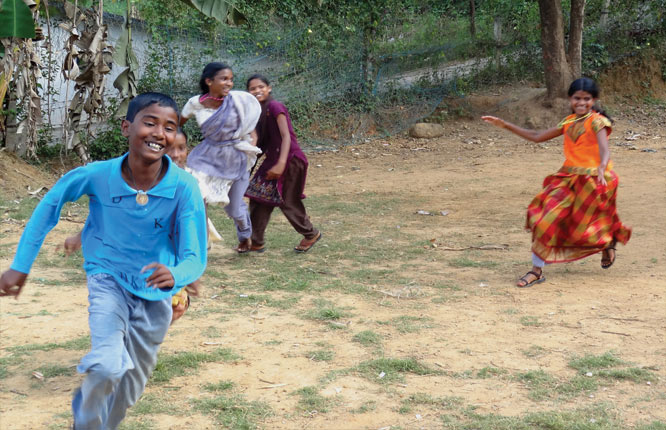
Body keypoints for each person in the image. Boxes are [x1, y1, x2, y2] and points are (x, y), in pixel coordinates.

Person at [0, 92, 208, 429]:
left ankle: (98, 420)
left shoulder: (183, 187)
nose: (160, 133)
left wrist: (178, 273)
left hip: (155, 295)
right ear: (127, 127)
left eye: (170, 127)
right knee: (109, 365)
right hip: (107, 278)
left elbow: (194, 253)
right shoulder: (98, 175)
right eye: (150, 122)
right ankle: (85, 419)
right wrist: (20, 266)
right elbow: (49, 205)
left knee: (128, 391)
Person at [481, 78, 631, 288]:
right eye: (577, 98)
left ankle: (607, 243)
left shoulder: (597, 121)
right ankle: (536, 270)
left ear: (594, 100)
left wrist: (602, 165)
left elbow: (604, 149)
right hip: (567, 179)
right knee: (543, 217)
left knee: (586, 228)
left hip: (595, 181)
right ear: (570, 99)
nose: (581, 103)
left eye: (586, 99)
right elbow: (536, 136)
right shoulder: (568, 122)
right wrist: (505, 125)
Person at [60, 127, 205, 324]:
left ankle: (137, 339)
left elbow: (195, 234)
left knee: (176, 307)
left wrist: (190, 272)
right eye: (170, 148)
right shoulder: (136, 182)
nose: (176, 154)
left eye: (182, 148)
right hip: (134, 261)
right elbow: (108, 215)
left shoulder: (188, 186)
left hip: (170, 263)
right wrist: (80, 236)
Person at [180, 62, 262, 253]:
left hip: (236, 159)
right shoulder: (195, 103)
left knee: (234, 209)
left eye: (231, 79)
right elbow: (177, 125)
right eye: (224, 79)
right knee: (197, 196)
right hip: (205, 157)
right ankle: (202, 241)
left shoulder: (239, 101)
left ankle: (245, 236)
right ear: (209, 81)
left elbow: (252, 129)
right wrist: (177, 148)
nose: (229, 83)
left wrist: (251, 144)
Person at [245, 74, 321, 253]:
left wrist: (280, 164)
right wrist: (247, 168)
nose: (257, 91)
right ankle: (256, 242)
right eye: (252, 88)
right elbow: (260, 145)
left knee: (287, 200)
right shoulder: (257, 112)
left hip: (290, 159)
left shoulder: (275, 106)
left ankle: (310, 234)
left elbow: (286, 136)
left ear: (269, 88)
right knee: (258, 196)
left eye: (261, 87)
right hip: (273, 160)